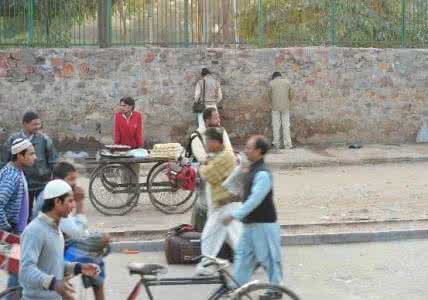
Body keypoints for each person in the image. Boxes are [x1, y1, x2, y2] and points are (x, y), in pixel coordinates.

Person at [32, 162, 109, 300]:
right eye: (71, 179)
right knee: (100, 244)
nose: (74, 183)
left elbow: (71, 228)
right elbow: (76, 233)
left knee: (98, 252)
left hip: (60, 243)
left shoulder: (52, 193)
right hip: (54, 250)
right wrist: (79, 205)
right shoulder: (56, 198)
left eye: (75, 179)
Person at [20, 179, 99, 300]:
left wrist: (78, 267)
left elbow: (50, 264)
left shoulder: (56, 229)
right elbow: (26, 271)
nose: (73, 205)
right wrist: (53, 283)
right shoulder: (34, 231)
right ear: (57, 201)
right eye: (70, 201)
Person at [224, 135, 283, 292]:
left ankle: (275, 291)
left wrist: (235, 215)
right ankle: (237, 289)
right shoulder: (250, 169)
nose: (246, 150)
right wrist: (239, 169)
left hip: (264, 225)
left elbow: (254, 200)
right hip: (249, 225)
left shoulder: (262, 174)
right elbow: (229, 186)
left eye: (249, 148)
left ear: (258, 151)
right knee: (243, 257)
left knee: (269, 260)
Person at [195, 127, 242, 276]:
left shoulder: (225, 156)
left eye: (207, 141)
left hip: (225, 202)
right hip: (222, 202)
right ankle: (252, 258)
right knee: (234, 235)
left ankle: (207, 264)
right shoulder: (218, 154)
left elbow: (209, 175)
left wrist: (203, 166)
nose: (206, 145)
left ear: (216, 142)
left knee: (209, 235)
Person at [2, 111, 58, 222]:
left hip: (42, 183)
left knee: (45, 213)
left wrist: (54, 180)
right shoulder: (14, 139)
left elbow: (53, 160)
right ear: (25, 124)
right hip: (23, 184)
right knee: (24, 214)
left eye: (39, 124)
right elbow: (5, 159)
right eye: (34, 124)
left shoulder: (44, 139)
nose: (38, 127)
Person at [0, 138, 36, 291]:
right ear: (20, 156)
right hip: (10, 234)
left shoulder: (16, 171)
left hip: (16, 232)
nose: (35, 157)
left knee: (17, 272)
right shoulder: (12, 176)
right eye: (31, 154)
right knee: (17, 273)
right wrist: (8, 227)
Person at [190, 107, 233, 232]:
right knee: (203, 205)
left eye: (218, 117)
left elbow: (228, 150)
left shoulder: (221, 132)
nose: (219, 120)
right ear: (206, 121)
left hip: (220, 188)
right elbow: (202, 157)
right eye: (215, 118)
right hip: (206, 181)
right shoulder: (196, 136)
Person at [114, 96, 144, 178]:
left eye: (124, 105)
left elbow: (138, 133)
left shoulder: (137, 116)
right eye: (120, 105)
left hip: (134, 148)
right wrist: (116, 147)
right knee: (124, 171)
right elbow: (117, 133)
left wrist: (140, 147)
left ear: (130, 106)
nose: (121, 107)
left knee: (134, 171)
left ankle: (135, 188)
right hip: (122, 149)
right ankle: (125, 188)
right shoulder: (118, 116)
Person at [269, 72, 293, 149]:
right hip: (286, 106)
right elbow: (291, 94)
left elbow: (269, 95)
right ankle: (288, 145)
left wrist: (273, 102)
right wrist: (288, 101)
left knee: (276, 125)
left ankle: (276, 144)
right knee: (286, 125)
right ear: (280, 76)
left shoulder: (271, 83)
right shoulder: (287, 82)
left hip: (275, 107)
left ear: (274, 77)